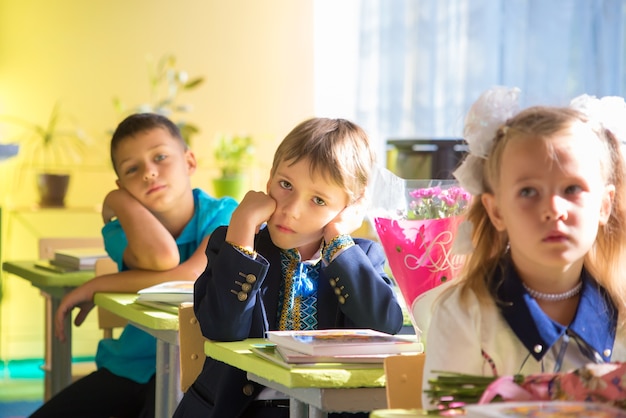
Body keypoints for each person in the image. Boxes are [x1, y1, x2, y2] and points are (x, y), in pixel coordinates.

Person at [173, 117, 404, 418]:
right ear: (269, 180)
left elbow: (385, 323)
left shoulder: (358, 257)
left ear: (350, 207)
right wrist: (243, 227)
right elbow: (222, 328)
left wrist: (337, 240)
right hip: (242, 410)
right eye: (286, 185)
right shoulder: (234, 247)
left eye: (318, 200)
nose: (291, 210)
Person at [422, 87, 626, 406]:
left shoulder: (622, 312)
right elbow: (448, 413)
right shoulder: (465, 314)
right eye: (529, 192)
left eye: (572, 188)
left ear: (604, 206)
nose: (553, 209)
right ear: (496, 210)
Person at [30, 113, 239, 418]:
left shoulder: (225, 213)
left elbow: (191, 276)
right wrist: (120, 200)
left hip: (198, 371)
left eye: (160, 157)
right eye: (132, 169)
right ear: (121, 185)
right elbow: (162, 257)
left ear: (190, 162)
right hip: (130, 366)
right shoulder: (118, 230)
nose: (149, 173)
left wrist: (97, 284)